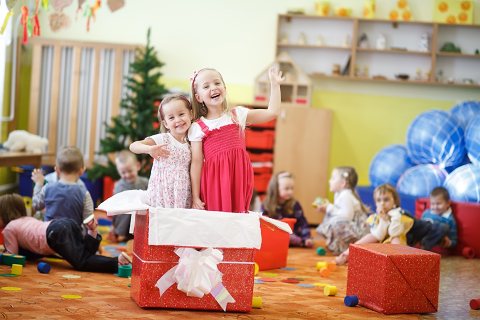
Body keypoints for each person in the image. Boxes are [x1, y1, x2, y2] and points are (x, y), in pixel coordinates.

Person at [189, 66, 284, 213]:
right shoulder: (198, 127)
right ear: (198, 97)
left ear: (224, 88)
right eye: (206, 86)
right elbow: (196, 163)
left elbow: (272, 112)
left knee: (236, 221)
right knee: (217, 223)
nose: (213, 88)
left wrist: (275, 85)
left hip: (238, 178)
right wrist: (195, 197)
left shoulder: (238, 114)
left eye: (217, 83)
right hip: (215, 183)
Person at [0, 193, 130, 273]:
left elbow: (13, 257)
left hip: (55, 233)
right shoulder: (27, 219)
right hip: (63, 223)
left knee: (82, 262)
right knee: (86, 253)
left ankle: (117, 262)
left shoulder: (9, 229)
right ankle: (92, 232)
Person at [130, 93, 193, 208]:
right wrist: (149, 149)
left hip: (182, 193)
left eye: (181, 114)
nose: (178, 120)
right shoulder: (163, 139)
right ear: (166, 124)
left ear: (191, 115)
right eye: (171, 118)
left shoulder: (192, 142)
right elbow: (134, 146)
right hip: (161, 193)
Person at [335, 184, 414, 265]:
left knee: (396, 239)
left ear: (395, 202)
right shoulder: (377, 217)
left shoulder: (398, 214)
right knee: (369, 237)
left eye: (386, 200)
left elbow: (394, 232)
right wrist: (383, 219)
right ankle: (346, 255)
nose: (382, 203)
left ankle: (400, 263)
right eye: (379, 200)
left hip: (393, 240)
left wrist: (391, 218)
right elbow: (378, 235)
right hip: (380, 240)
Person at [31, 146, 93, 226]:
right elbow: (89, 221)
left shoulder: (47, 188)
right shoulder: (84, 193)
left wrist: (38, 184)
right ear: (82, 171)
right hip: (73, 236)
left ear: (57, 170)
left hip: (50, 234)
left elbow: (36, 205)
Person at [316, 166, 370, 254]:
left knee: (337, 222)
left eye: (333, 178)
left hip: (359, 232)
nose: (330, 181)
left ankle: (347, 248)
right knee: (331, 217)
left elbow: (346, 217)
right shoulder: (339, 194)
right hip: (352, 227)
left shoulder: (346, 195)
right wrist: (326, 210)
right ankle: (341, 246)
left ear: (342, 183)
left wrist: (329, 208)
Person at [262, 171, 313, 248]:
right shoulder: (266, 205)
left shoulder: (295, 204)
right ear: (275, 189)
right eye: (286, 188)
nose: (290, 192)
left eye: (292, 188)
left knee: (290, 237)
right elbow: (262, 224)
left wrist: (307, 237)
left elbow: (302, 222)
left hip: (291, 236)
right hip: (273, 236)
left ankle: (301, 241)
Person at [110, 150, 149, 242]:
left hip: (140, 216)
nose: (127, 175)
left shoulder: (145, 182)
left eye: (130, 171)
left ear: (138, 166)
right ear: (119, 172)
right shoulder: (119, 186)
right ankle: (120, 233)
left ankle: (140, 234)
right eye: (123, 173)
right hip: (124, 218)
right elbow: (115, 207)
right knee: (127, 210)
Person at [408, 186, 457, 251]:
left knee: (444, 227)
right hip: (419, 235)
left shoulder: (449, 219)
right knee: (412, 221)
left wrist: (449, 243)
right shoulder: (426, 213)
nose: (435, 207)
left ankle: (424, 245)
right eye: (433, 204)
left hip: (433, 238)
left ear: (448, 203)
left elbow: (454, 240)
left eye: (438, 204)